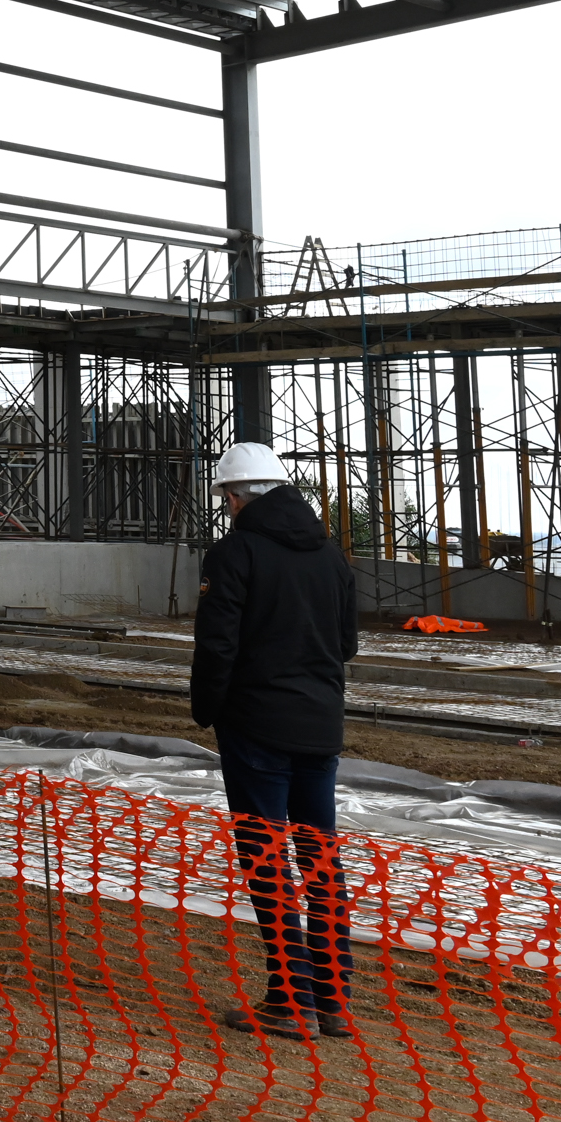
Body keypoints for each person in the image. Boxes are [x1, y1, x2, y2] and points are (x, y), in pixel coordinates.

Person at [190, 439, 358, 1043]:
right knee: (320, 859)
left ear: (236, 496)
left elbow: (217, 646)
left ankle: (288, 1002)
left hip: (257, 728)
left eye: (227, 497)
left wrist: (208, 710)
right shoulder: (331, 557)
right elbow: (346, 645)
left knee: (267, 861)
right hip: (320, 728)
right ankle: (333, 1001)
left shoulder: (234, 554)